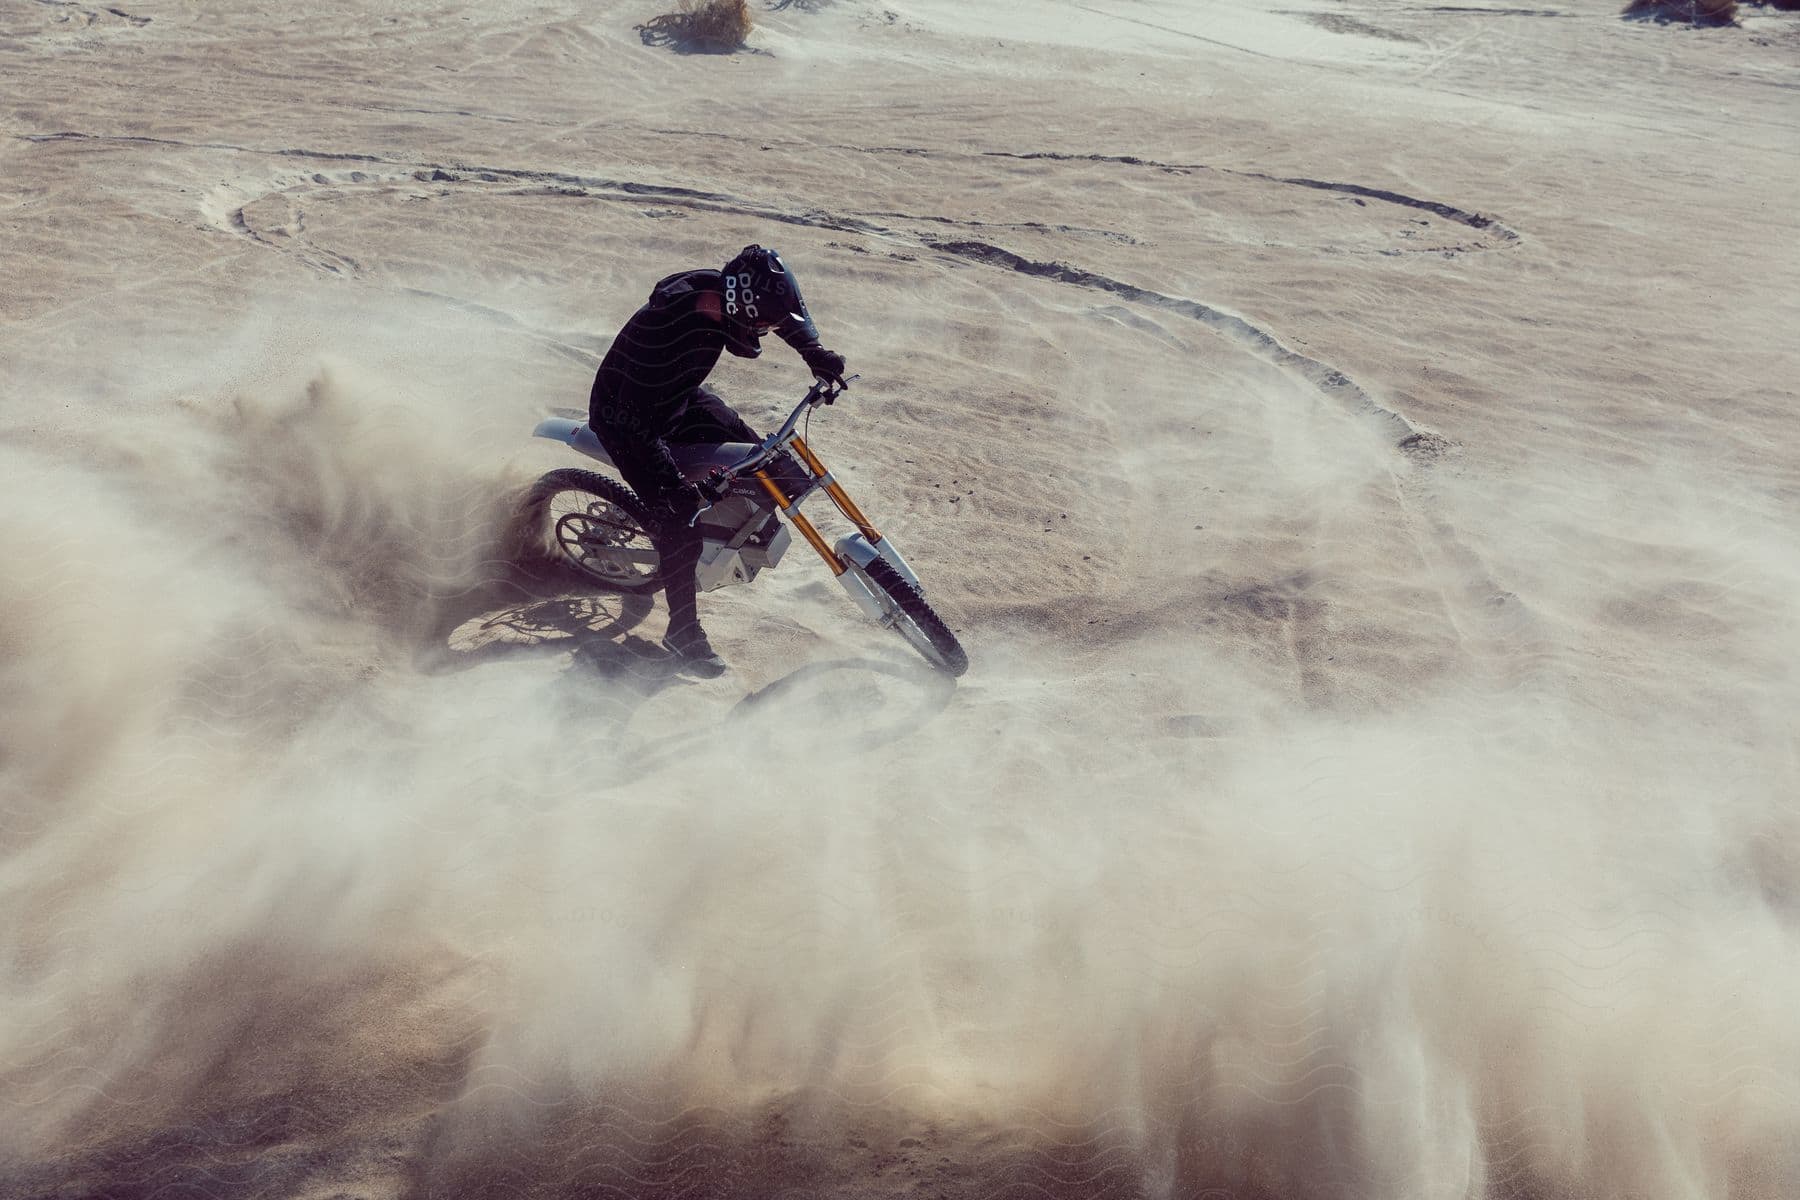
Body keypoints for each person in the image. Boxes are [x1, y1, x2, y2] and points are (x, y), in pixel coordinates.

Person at [588, 245, 847, 676]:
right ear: (738, 309)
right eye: (760, 324)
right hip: (626, 418)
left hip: (677, 399)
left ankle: (739, 531)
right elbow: (636, 425)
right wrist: (684, 491)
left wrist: (814, 352)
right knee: (681, 520)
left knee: (765, 459)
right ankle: (682, 631)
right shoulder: (663, 335)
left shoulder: (723, 293)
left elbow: (781, 312)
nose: (764, 330)